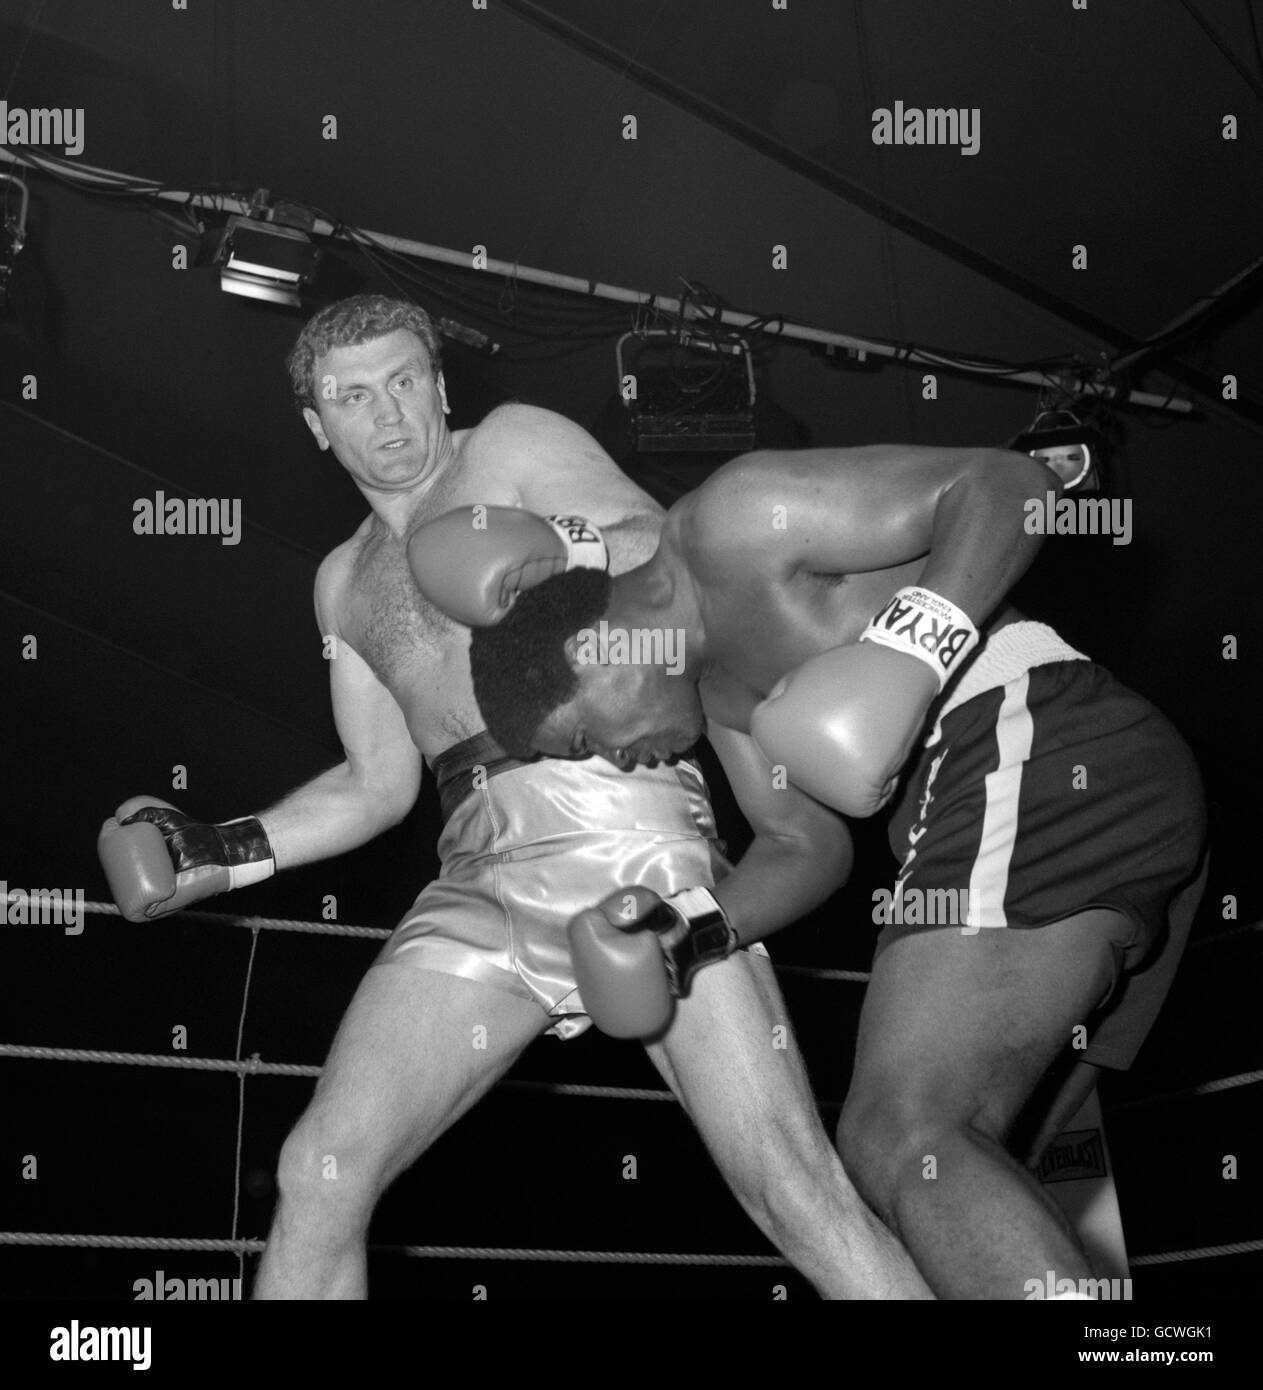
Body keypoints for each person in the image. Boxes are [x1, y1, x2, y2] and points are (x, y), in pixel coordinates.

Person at [96, 296, 931, 1300]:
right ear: (316, 424)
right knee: (321, 1171)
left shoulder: (515, 442)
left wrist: (545, 544)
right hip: (471, 873)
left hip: (617, 816)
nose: (388, 414)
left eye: (406, 380)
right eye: (351, 397)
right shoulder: (340, 582)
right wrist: (221, 847)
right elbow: (376, 783)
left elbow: (664, 547)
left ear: (441, 384)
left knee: (791, 1187)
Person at [419, 443, 1207, 1300]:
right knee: (970, 1161)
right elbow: (805, 844)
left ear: (593, 646)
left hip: (1033, 744)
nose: (616, 761)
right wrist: (686, 929)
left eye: (582, 741)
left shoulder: (735, 523)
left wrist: (911, 647)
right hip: (1039, 801)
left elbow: (1006, 484)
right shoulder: (720, 696)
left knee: (905, 1131)